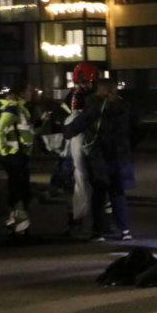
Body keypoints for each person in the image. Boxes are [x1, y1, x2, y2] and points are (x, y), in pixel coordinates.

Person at [64, 76, 140, 242]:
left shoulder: (95, 106)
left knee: (98, 194)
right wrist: (127, 146)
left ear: (99, 90)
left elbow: (78, 125)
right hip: (120, 157)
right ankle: (125, 230)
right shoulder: (124, 106)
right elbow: (137, 129)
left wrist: (64, 130)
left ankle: (98, 232)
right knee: (118, 193)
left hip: (99, 156)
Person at [0, 78, 37, 237]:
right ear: (21, 93)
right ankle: (21, 226)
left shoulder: (20, 108)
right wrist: (4, 150)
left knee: (18, 188)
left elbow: (26, 131)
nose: (32, 93)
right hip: (15, 156)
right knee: (20, 190)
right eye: (29, 90)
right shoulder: (13, 108)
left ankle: (15, 222)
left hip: (19, 155)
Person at [61, 62, 97, 235]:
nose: (85, 85)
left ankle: (92, 222)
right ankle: (78, 220)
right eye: (83, 82)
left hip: (82, 142)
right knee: (79, 182)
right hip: (79, 143)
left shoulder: (80, 96)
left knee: (85, 182)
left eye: (87, 82)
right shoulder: (79, 96)